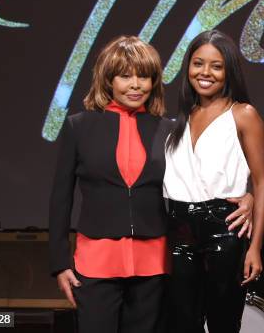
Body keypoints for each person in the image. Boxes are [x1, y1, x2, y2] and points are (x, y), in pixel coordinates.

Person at [49, 36, 172, 333]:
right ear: (108, 79)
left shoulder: (170, 129)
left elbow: (196, 185)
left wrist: (244, 197)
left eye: (143, 76)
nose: (136, 84)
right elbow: (60, 197)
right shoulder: (79, 126)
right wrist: (59, 262)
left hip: (153, 259)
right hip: (95, 261)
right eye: (125, 76)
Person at [164, 30, 264, 333]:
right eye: (198, 63)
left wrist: (255, 247)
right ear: (187, 68)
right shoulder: (181, 118)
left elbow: (261, 183)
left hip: (224, 228)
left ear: (229, 71)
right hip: (179, 229)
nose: (205, 73)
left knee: (223, 324)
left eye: (216, 66)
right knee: (183, 324)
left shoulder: (243, 114)